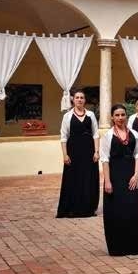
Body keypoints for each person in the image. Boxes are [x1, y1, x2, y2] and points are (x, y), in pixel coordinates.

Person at [101, 104, 138, 256]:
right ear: (112, 117)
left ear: (126, 116)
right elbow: (105, 159)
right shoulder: (108, 136)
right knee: (115, 211)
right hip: (114, 176)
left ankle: (131, 246)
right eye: (117, 115)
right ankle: (117, 247)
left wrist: (136, 174)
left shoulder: (135, 134)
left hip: (131, 177)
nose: (120, 118)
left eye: (122, 115)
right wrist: (107, 181)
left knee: (131, 210)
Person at [57, 90, 100, 218]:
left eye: (82, 97)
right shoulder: (67, 116)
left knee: (88, 178)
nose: (79, 99)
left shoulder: (91, 115)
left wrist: (96, 151)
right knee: (73, 179)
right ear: (73, 100)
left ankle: (88, 208)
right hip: (73, 151)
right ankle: (72, 208)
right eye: (77, 97)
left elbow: (96, 134)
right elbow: (64, 137)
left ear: (85, 100)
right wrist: (65, 155)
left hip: (89, 151)